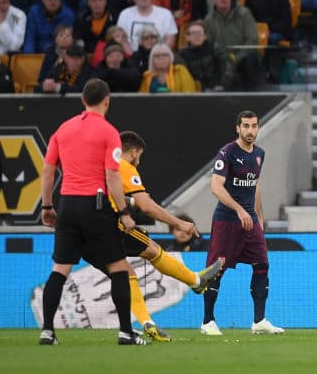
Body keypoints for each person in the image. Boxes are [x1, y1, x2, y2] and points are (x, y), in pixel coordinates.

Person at [38, 79, 143, 346]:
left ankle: (47, 331)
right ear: (106, 101)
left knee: (60, 268)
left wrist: (48, 206)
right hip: (95, 205)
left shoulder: (63, 130)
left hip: (67, 204)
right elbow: (112, 176)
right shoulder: (109, 132)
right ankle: (125, 332)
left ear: (83, 100)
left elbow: (48, 171)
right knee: (119, 267)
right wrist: (123, 212)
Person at [109, 130, 224, 341]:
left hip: (83, 225)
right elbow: (147, 206)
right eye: (139, 156)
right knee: (152, 250)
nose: (139, 161)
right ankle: (195, 280)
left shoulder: (105, 165)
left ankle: (145, 324)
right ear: (133, 151)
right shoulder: (125, 167)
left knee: (124, 272)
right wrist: (179, 223)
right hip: (111, 224)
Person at [201, 110, 284, 336]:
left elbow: (254, 186)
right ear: (237, 128)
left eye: (254, 126)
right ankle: (207, 321)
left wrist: (259, 216)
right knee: (217, 269)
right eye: (245, 126)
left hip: (250, 221)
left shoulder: (259, 154)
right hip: (227, 220)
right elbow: (215, 187)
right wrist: (238, 210)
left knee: (262, 263)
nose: (250, 131)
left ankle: (259, 321)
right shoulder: (227, 153)